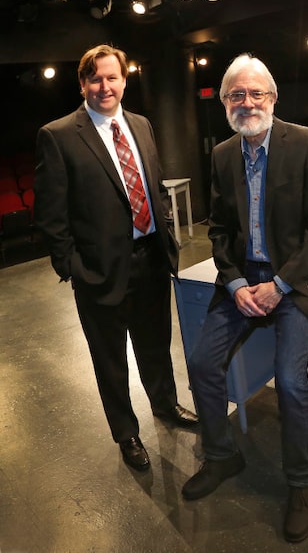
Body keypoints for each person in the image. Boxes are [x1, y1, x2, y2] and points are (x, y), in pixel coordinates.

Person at [181, 54, 308, 544]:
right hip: (243, 279)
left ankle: (301, 485)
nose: (247, 102)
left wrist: (277, 286)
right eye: (236, 94)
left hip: (298, 278)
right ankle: (221, 455)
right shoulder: (222, 155)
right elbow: (218, 230)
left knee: (292, 380)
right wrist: (236, 283)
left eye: (256, 93)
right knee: (200, 363)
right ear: (225, 104)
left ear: (273, 99)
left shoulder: (307, 143)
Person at [34, 44, 199, 472]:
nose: (105, 86)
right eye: (96, 78)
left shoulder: (141, 124)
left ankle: (165, 405)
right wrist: (70, 266)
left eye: (113, 77)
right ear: (83, 84)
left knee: (156, 344)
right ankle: (126, 433)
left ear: (124, 80)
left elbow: (155, 184)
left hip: (150, 260)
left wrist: (163, 229)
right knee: (109, 359)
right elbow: (51, 213)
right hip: (98, 271)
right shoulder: (59, 135)